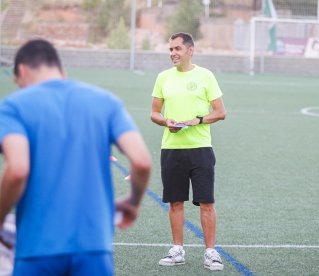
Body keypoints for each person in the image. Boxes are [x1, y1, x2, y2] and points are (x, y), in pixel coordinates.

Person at [0, 39, 152, 275]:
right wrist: (133, 201)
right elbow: (142, 161)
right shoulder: (106, 102)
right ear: (62, 70)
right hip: (94, 248)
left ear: (21, 71)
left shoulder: (14, 106)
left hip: (35, 250)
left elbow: (18, 169)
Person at [150, 32, 226, 271]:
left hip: (201, 149)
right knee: (175, 202)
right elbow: (154, 112)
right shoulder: (163, 77)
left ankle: (211, 253)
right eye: (170, 49)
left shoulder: (206, 76)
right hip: (171, 149)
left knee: (207, 202)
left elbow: (220, 112)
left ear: (190, 50)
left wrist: (198, 120)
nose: (173, 53)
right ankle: (177, 250)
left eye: (177, 49)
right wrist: (165, 122)